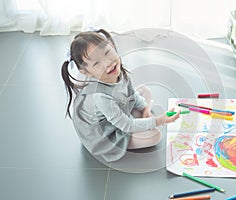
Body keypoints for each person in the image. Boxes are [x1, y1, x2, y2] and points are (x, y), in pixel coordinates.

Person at [61, 29, 180, 162]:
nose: (108, 63)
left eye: (107, 53)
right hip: (106, 133)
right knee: (155, 136)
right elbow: (127, 126)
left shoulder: (115, 71)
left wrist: (144, 108)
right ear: (87, 72)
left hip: (116, 110)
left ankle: (140, 118)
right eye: (96, 63)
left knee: (145, 91)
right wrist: (160, 120)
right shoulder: (100, 97)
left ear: (112, 45)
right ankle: (138, 124)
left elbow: (131, 93)